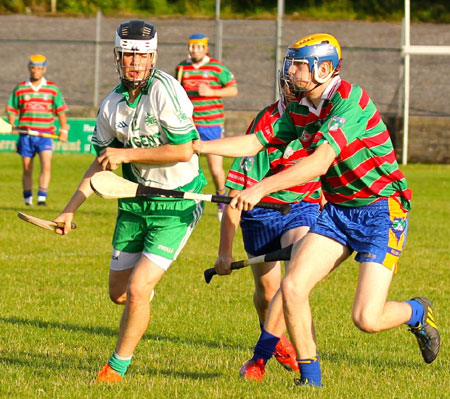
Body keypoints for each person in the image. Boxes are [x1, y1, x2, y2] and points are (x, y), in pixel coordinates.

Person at [194, 33, 440, 387]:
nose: (290, 71)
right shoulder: (300, 109)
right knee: (293, 286)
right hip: (339, 211)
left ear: (323, 69)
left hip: (381, 211)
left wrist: (260, 187)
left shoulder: (348, 100)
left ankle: (416, 312)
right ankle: (311, 382)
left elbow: (319, 163)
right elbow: (257, 141)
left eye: (297, 65)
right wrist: (198, 146)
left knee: (366, 318)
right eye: (290, 63)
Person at [53, 20, 207, 383]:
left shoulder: (166, 91)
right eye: (128, 56)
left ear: (153, 56)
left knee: (139, 289)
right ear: (117, 57)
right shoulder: (111, 104)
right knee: (119, 294)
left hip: (176, 203)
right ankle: (141, 302)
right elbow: (102, 161)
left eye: (143, 55)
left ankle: (116, 367)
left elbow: (184, 151)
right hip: (135, 202)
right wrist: (70, 207)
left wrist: (128, 155)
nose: (136, 63)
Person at [216, 71, 322, 380]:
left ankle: (300, 364)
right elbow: (234, 196)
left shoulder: (324, 120)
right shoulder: (265, 125)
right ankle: (276, 342)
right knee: (266, 293)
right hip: (259, 213)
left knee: (295, 283)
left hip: (301, 207)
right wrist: (225, 251)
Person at [175, 33, 238, 220]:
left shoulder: (216, 68)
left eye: (199, 47)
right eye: (192, 47)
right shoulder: (182, 67)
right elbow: (177, 91)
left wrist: (212, 91)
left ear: (205, 48)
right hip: (190, 125)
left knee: (215, 168)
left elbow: (233, 89)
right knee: (182, 163)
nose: (195, 50)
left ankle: (221, 201)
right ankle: (183, 202)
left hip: (211, 124)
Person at [6, 54, 69, 206]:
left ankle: (42, 198)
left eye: (39, 68)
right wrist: (13, 125)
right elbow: (11, 109)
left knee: (46, 165)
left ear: (44, 69)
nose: (36, 71)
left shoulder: (52, 89)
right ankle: (28, 199)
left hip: (45, 134)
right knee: (27, 168)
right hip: (26, 134)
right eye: (33, 68)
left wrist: (64, 130)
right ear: (29, 68)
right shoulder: (20, 88)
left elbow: (60, 110)